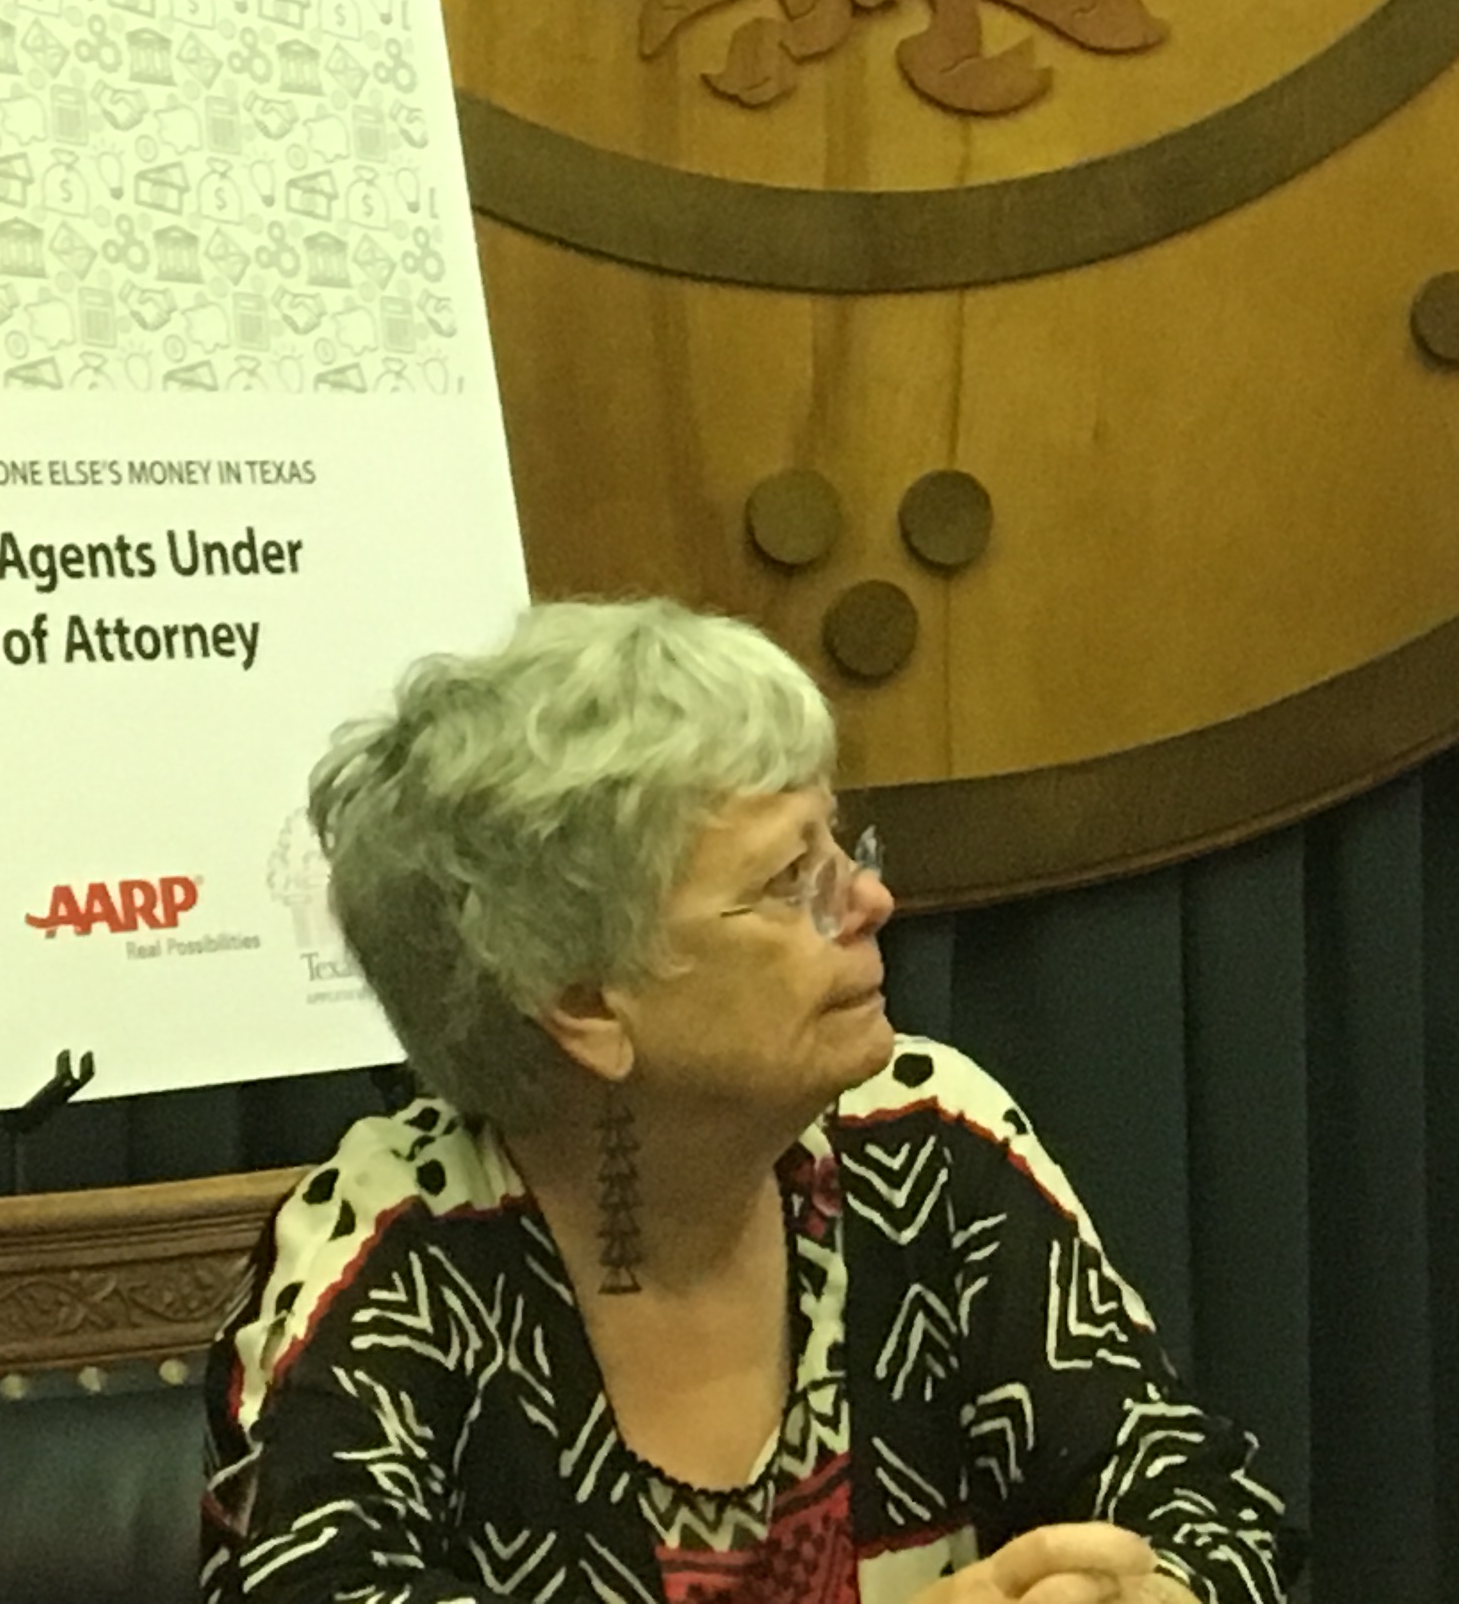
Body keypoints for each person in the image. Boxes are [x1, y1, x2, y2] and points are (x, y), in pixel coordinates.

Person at [202, 599, 1297, 1604]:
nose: (871, 900)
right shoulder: (395, 1253)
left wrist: (1146, 1592)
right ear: (585, 1001)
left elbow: (1210, 1502)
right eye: (789, 883)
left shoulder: (924, 1143)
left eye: (842, 849)